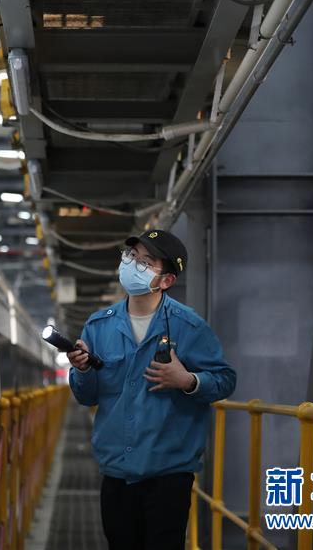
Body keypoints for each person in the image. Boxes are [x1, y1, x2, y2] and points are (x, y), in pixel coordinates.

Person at [66, 230, 236, 550]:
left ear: (167, 280)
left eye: (145, 262)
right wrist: (83, 370)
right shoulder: (98, 326)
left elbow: (225, 380)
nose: (132, 265)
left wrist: (188, 380)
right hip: (116, 473)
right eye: (131, 256)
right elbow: (86, 397)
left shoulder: (189, 327)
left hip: (168, 476)